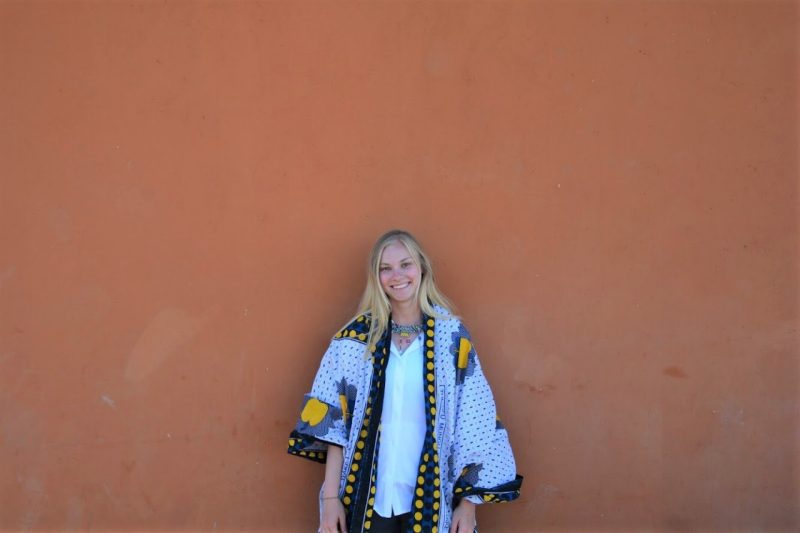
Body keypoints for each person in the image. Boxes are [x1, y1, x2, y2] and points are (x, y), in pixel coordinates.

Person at [288, 230, 522, 533]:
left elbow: (476, 424)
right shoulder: (355, 341)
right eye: (385, 268)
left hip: (431, 502)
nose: (397, 275)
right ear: (376, 277)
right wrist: (331, 499)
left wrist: (469, 506)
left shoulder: (451, 338)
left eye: (405, 264)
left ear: (422, 268)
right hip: (366, 500)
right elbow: (335, 427)